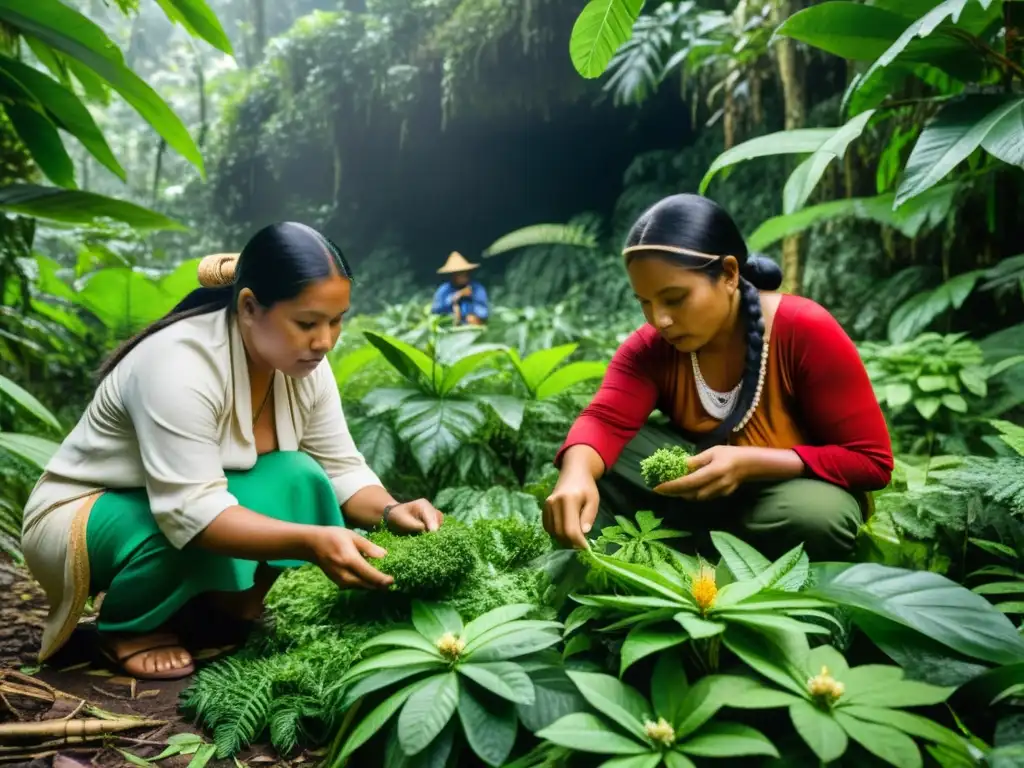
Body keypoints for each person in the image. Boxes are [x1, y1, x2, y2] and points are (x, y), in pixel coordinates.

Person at [20, 222, 444, 680]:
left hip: (180, 505)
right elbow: (190, 510)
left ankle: (220, 612)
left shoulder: (303, 364)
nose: (324, 341)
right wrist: (310, 540)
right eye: (306, 323)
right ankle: (128, 629)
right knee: (173, 525)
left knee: (300, 475)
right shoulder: (177, 364)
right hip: (82, 520)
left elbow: (340, 469)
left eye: (336, 320)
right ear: (248, 307)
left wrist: (389, 511)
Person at [543, 194, 893, 562]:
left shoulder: (803, 329)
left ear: (728, 274)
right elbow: (604, 419)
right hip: (700, 487)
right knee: (593, 462)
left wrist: (751, 463)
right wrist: (575, 473)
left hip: (785, 494)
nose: (659, 320)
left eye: (675, 299)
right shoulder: (651, 347)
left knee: (819, 518)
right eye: (644, 302)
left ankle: (753, 584)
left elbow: (872, 462)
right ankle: (619, 584)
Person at [430, 251, 489, 326]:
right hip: (449, 327)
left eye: (465, 273)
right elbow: (435, 310)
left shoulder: (477, 288)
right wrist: (455, 297)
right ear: (453, 275)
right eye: (459, 274)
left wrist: (474, 315)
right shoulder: (444, 290)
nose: (464, 276)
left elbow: (484, 311)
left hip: (472, 326)